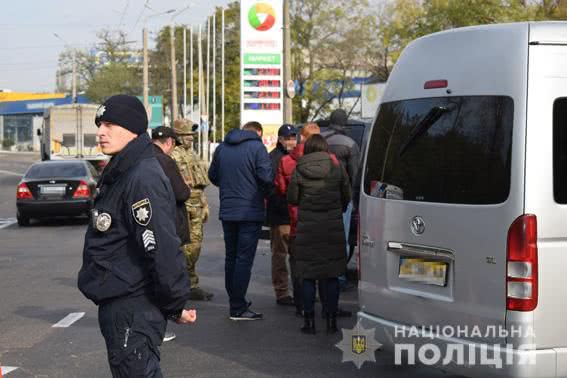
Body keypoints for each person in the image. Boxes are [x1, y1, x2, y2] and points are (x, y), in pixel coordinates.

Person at [78, 94, 196, 377]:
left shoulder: (141, 176)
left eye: (109, 124)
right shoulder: (124, 169)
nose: (101, 132)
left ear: (132, 128)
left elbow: (160, 246)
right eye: (99, 125)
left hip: (133, 304)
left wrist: (175, 302)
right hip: (123, 302)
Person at [208, 121, 273, 320]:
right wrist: (262, 192)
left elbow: (213, 176)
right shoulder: (257, 148)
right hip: (250, 211)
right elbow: (266, 177)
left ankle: (234, 302)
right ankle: (237, 306)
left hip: (228, 210)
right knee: (243, 260)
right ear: (258, 133)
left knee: (231, 257)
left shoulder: (221, 148)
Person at [287, 134, 351, 334]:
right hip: (332, 228)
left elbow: (292, 198)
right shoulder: (337, 168)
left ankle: (309, 322)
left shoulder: (299, 169)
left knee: (307, 276)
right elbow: (346, 196)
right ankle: (331, 320)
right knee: (331, 275)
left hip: (307, 229)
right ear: (325, 148)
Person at [151, 126, 192, 343]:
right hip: (167, 226)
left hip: (148, 225)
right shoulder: (165, 161)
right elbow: (181, 193)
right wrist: (186, 186)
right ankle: (161, 324)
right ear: (169, 143)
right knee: (165, 276)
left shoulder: (142, 158)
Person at [171, 119, 214, 301]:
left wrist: (204, 203)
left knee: (195, 245)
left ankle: (191, 282)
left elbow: (199, 183)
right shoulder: (174, 155)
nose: (190, 138)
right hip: (183, 205)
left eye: (191, 135)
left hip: (196, 203)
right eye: (187, 135)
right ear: (178, 137)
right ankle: (184, 284)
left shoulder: (192, 154)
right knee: (185, 246)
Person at [321, 109, 360, 292]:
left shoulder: (320, 140)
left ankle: (323, 277)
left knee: (323, 238)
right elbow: (355, 175)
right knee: (341, 239)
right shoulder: (350, 144)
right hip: (342, 198)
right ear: (345, 122)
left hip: (319, 196)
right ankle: (339, 278)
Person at [266, 124, 297, 306]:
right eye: (287, 138)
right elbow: (269, 188)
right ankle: (282, 292)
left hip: (295, 214)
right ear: (280, 139)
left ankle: (300, 289)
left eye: (293, 137)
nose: (291, 141)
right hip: (280, 214)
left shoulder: (297, 156)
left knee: (297, 254)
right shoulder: (273, 158)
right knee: (280, 255)